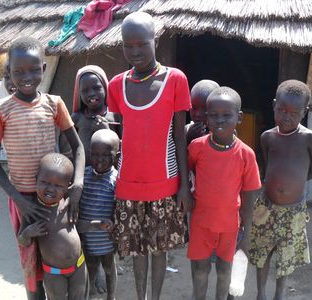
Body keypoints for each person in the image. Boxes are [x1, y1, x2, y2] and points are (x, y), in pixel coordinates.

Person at [0, 37, 85, 300]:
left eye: (33, 69)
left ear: (43, 68)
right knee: (31, 262)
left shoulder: (54, 104)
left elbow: (78, 148)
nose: (26, 76)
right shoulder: (0, 110)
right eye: (18, 71)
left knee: (62, 250)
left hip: (55, 194)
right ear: (8, 73)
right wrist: (18, 199)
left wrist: (77, 185)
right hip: (23, 198)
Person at [107, 12, 192, 300]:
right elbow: (119, 134)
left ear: (154, 41)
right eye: (127, 46)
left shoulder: (175, 79)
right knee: (136, 250)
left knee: (159, 249)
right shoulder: (117, 85)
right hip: (127, 185)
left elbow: (179, 136)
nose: (135, 52)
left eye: (141, 44)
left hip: (164, 184)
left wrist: (183, 184)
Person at [187, 86, 261, 300]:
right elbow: (190, 174)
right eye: (214, 115)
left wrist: (246, 236)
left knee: (224, 272)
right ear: (206, 118)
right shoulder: (196, 148)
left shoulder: (246, 155)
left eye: (226, 115)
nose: (219, 120)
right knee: (200, 272)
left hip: (229, 226)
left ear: (239, 117)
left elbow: (249, 197)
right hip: (201, 223)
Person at [249, 80, 312, 300]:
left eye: (294, 113)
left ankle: (279, 294)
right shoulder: (267, 137)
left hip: (293, 211)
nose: (286, 117)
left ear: (304, 112)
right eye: (281, 110)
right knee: (263, 253)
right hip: (267, 207)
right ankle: (261, 294)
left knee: (285, 257)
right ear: (273, 105)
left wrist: (292, 189)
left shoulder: (309, 139)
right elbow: (269, 164)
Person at [19, 153, 113, 300]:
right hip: (54, 272)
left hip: (79, 266)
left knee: (79, 297)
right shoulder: (32, 210)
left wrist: (96, 225)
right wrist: (28, 233)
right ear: (36, 179)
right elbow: (22, 240)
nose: (51, 189)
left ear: (67, 187)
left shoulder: (68, 203)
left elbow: (77, 226)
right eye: (45, 182)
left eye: (58, 186)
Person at [77, 129, 119, 300]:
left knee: (109, 268)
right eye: (94, 154)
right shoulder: (84, 176)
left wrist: (113, 224)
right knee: (90, 267)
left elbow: (118, 208)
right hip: (87, 237)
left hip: (107, 239)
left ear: (116, 155)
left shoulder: (117, 180)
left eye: (105, 155)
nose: (99, 160)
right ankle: (91, 294)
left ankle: (111, 296)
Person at [72, 65, 121, 166]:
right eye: (85, 91)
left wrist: (107, 131)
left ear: (105, 87)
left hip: (109, 175)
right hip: (84, 174)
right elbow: (69, 147)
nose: (91, 94)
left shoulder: (115, 115)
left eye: (97, 88)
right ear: (79, 93)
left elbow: (124, 148)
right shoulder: (77, 118)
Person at [185, 80, 219, 145]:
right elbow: (178, 153)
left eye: (204, 109)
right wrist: (188, 138)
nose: (198, 114)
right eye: (194, 108)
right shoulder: (186, 130)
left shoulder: (223, 132)